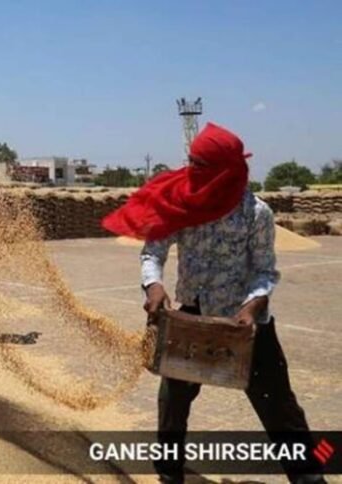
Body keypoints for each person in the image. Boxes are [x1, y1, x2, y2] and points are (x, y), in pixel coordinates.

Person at [103, 123, 324, 484]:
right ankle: (169, 473)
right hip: (192, 317)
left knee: (279, 406)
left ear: (225, 170)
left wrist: (251, 308)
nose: (191, 169)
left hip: (246, 325)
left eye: (200, 164)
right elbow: (153, 251)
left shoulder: (256, 213)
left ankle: (309, 477)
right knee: (173, 401)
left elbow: (265, 271)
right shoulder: (181, 201)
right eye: (190, 161)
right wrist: (153, 285)